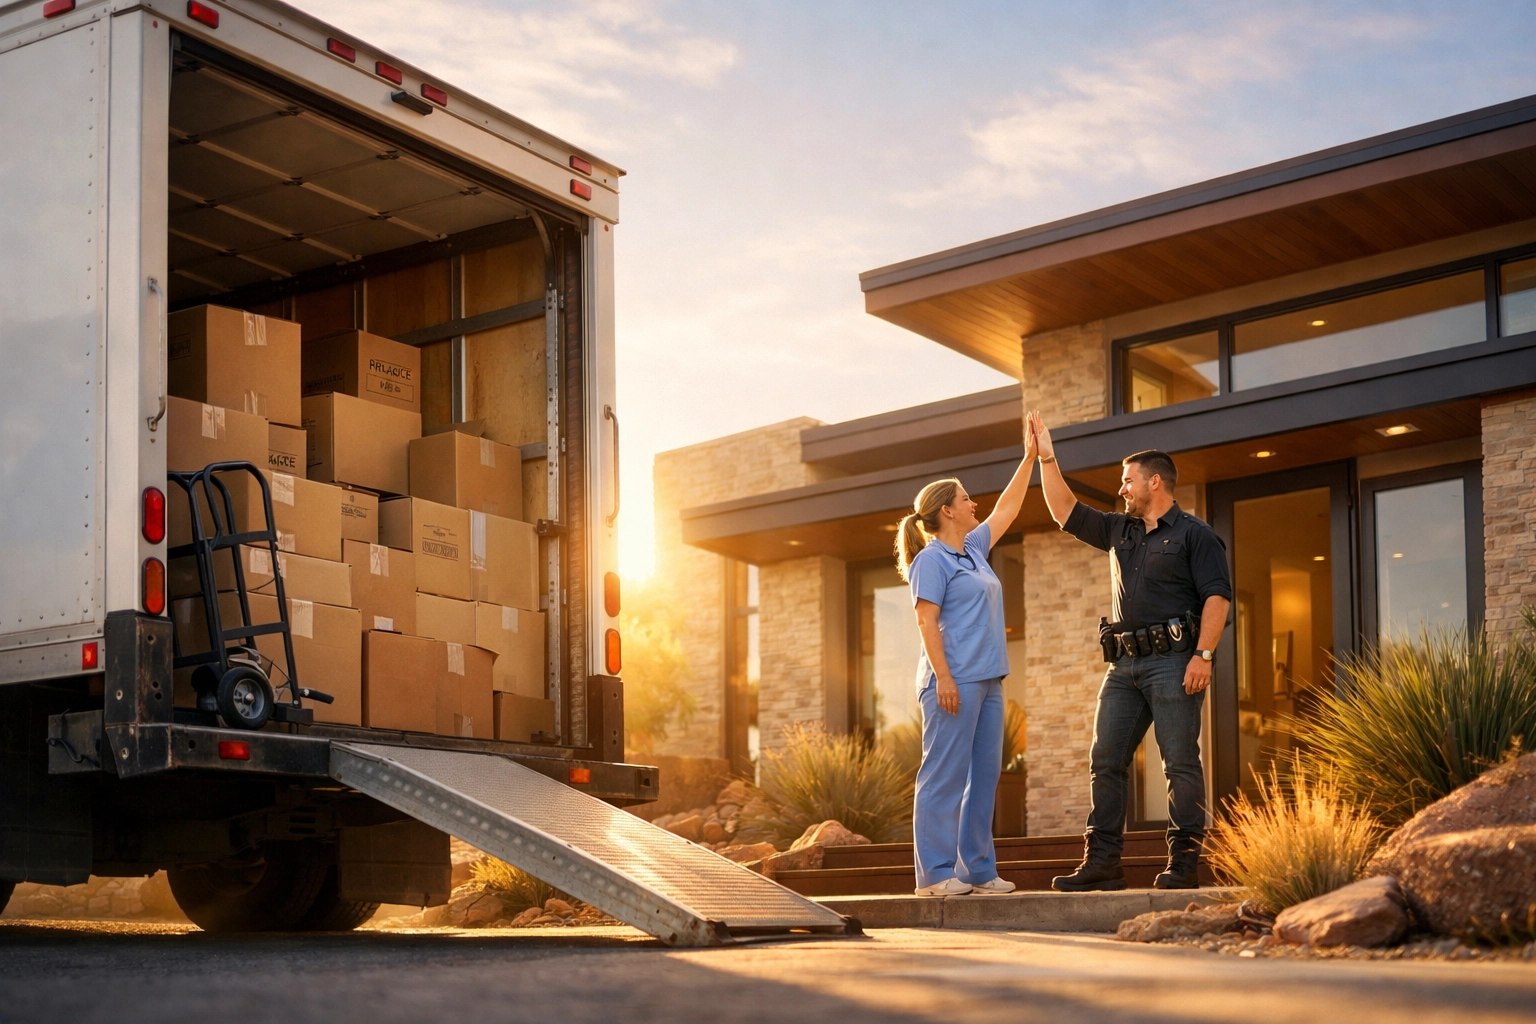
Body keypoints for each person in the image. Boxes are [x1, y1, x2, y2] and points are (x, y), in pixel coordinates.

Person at [1027, 410, 1232, 891]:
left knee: (1179, 762)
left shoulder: (1195, 535)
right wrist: (1048, 459)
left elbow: (1218, 597)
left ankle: (1183, 864)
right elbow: (1064, 512)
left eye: (1127, 481)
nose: (1122, 489)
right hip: (1123, 666)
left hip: (1174, 663)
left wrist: (1202, 656)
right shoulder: (1121, 531)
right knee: (1106, 761)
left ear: (1154, 482)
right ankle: (1103, 863)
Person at [897, 427, 1037, 896]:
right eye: (966, 498)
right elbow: (926, 623)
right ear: (947, 511)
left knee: (985, 779)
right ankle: (934, 875)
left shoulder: (973, 550)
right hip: (951, 681)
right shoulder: (931, 561)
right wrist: (944, 678)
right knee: (943, 776)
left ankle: (977, 870)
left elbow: (1007, 508)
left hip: (990, 679)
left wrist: (1031, 457)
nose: (974, 503)